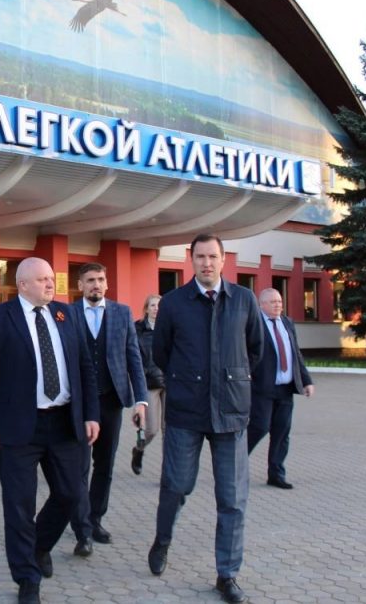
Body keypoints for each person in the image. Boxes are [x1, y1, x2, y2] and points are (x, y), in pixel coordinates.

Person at [0, 257, 99, 604]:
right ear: (22, 285)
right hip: (18, 427)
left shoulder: (65, 314)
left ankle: (39, 546)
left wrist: (91, 414)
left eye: (51, 278)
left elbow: (84, 367)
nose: (50, 284)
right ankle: (27, 577)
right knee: (19, 504)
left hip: (64, 423)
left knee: (71, 494)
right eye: (42, 279)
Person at [147, 234, 264, 604]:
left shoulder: (243, 299)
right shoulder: (174, 303)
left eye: (213, 256)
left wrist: (232, 379)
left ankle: (227, 575)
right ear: (191, 260)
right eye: (200, 257)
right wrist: (188, 381)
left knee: (233, 498)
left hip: (231, 413)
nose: (207, 263)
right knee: (177, 485)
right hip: (186, 412)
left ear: (223, 259)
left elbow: (255, 349)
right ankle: (163, 539)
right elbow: (161, 352)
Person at [68, 262, 147, 558]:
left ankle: (95, 518)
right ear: (80, 285)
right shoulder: (67, 314)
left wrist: (141, 400)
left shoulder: (122, 313)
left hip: (111, 399)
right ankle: (81, 529)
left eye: (100, 279)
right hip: (78, 403)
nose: (96, 285)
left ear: (107, 283)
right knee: (79, 466)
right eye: (90, 280)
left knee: (105, 464)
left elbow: (133, 358)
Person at [248, 288, 315, 489]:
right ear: (261, 305)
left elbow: (296, 354)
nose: (278, 305)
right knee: (259, 427)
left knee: (281, 433)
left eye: (279, 301)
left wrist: (306, 381)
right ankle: (235, 462)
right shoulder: (254, 324)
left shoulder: (287, 323)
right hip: (262, 388)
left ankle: (276, 474)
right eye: (273, 302)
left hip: (285, 388)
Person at [133, 293, 165, 475]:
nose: (156, 309)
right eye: (152, 305)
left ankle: (167, 472)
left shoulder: (169, 327)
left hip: (170, 381)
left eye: (159, 306)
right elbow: (133, 356)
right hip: (150, 382)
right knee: (151, 429)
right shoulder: (137, 329)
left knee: (169, 431)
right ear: (146, 309)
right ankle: (138, 450)